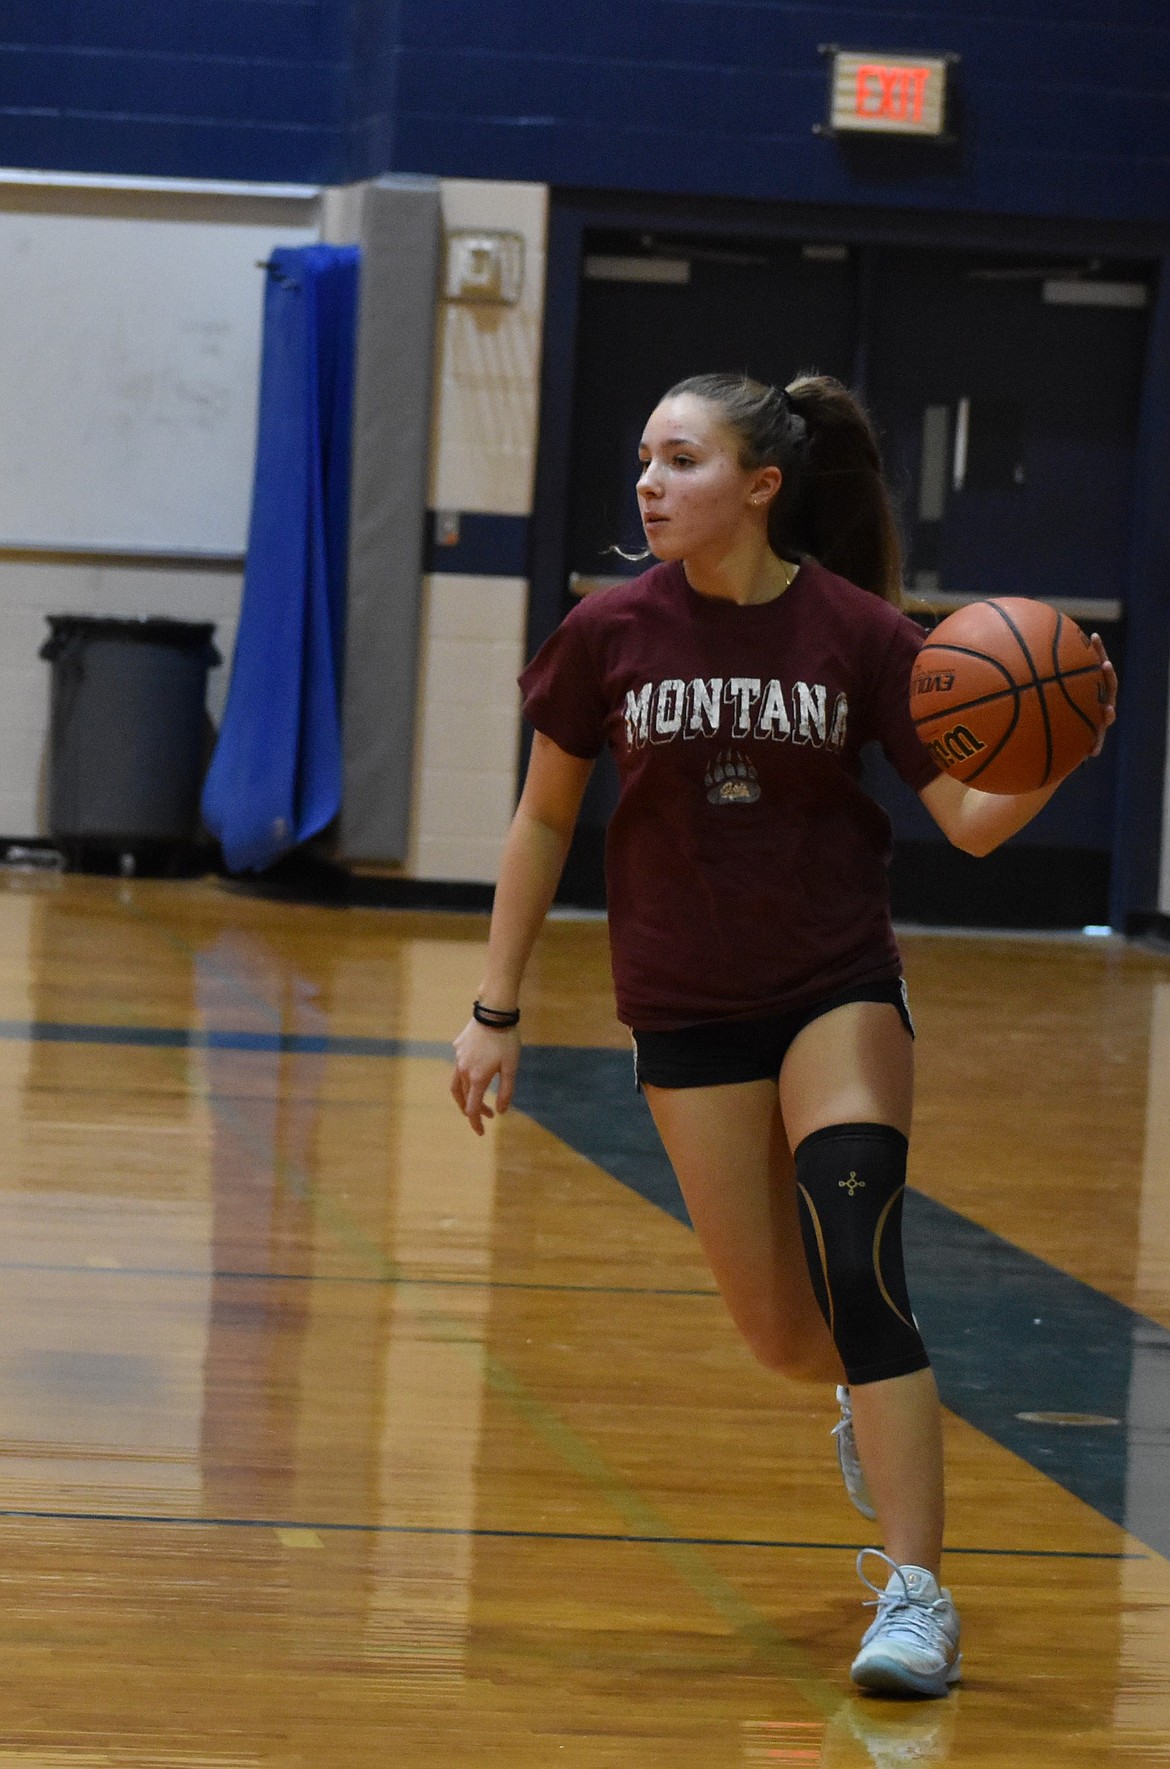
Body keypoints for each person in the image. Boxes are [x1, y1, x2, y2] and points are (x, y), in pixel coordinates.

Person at [450, 371, 1117, 1697]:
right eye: (642, 458)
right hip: (684, 1003)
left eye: (678, 459)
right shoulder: (606, 634)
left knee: (859, 1258)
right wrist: (493, 1008)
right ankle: (865, 1401)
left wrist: (1063, 724)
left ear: (759, 486)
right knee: (776, 1329)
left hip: (834, 987)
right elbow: (539, 822)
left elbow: (970, 823)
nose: (646, 482)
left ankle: (918, 1594)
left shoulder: (862, 636)